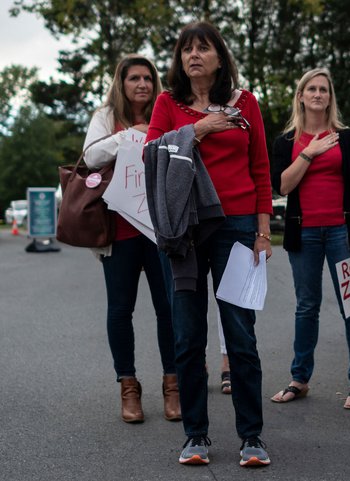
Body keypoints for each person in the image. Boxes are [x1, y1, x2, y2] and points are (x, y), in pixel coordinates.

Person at [145, 21, 272, 467]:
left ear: (220, 57)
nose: (193, 56)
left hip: (237, 228)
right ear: (179, 60)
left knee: (240, 335)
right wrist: (200, 130)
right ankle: (194, 435)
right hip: (185, 230)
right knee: (187, 335)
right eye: (186, 50)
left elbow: (260, 170)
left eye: (203, 48)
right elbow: (152, 153)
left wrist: (261, 232)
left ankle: (251, 437)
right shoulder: (168, 103)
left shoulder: (246, 104)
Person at [83, 54, 181, 424]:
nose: (141, 84)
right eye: (133, 78)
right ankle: (128, 385)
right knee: (120, 310)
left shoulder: (168, 110)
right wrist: (128, 135)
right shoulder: (106, 117)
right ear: (121, 83)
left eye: (147, 78)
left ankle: (173, 385)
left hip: (160, 232)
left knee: (168, 309)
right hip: (119, 232)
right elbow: (90, 157)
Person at [270, 68, 350, 409]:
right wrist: (309, 152)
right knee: (306, 307)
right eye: (311, 89)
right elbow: (283, 186)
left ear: (330, 97)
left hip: (343, 232)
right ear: (300, 96)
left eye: (323, 89)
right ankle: (299, 379)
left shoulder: (348, 137)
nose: (317, 94)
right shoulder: (285, 142)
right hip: (305, 233)